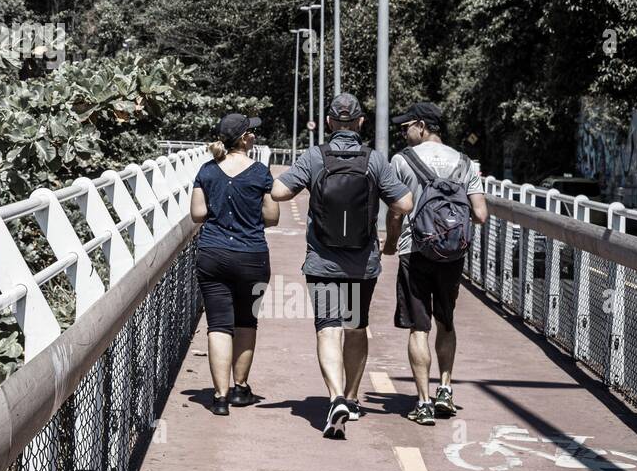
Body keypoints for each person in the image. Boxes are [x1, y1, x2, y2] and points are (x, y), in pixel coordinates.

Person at [271, 93, 413, 439]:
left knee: (327, 328)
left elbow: (278, 192)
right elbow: (405, 202)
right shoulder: (374, 160)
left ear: (331, 123)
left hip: (322, 261)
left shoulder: (314, 157)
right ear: (361, 123)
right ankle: (351, 397)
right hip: (363, 263)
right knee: (355, 327)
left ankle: (334, 397)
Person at [384, 102, 488, 425]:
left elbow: (397, 210)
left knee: (418, 327)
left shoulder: (402, 161)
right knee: (446, 321)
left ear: (422, 126)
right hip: (452, 256)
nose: (403, 132)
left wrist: (389, 242)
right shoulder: (465, 162)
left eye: (406, 127)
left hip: (414, 252)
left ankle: (424, 402)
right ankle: (445, 389)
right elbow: (481, 215)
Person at [190, 114, 280, 416]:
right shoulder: (260, 173)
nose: (254, 136)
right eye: (251, 132)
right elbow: (273, 217)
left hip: (213, 254)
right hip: (252, 255)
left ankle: (219, 396)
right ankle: (241, 388)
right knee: (246, 321)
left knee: (218, 324)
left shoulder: (207, 171)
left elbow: (198, 213)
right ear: (243, 139)